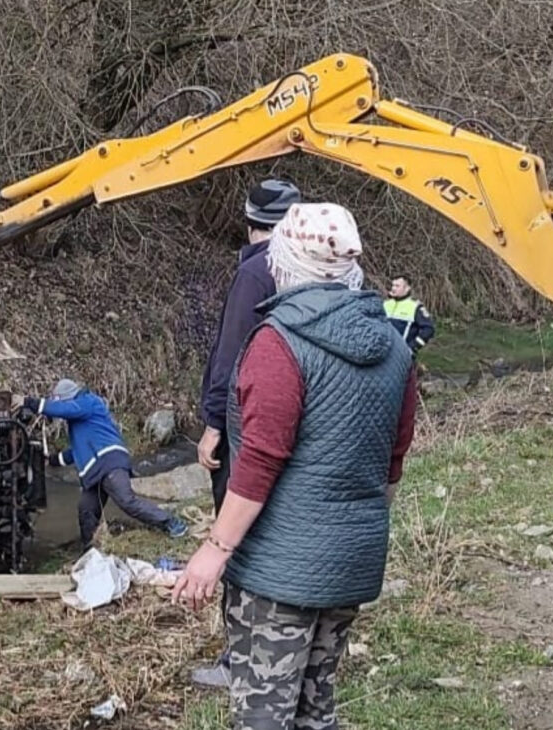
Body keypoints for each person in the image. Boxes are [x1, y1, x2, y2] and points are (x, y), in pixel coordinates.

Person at [171, 202, 418, 730]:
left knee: (264, 716)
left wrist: (214, 551)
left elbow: (260, 459)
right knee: (315, 708)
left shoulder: (278, 344)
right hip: (352, 561)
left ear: (282, 261)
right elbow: (393, 460)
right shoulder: (394, 347)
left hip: (278, 571)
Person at [193, 178, 300, 688]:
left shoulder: (256, 273)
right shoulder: (327, 272)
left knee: (234, 537)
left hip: (247, 424)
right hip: (299, 427)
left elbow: (231, 352)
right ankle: (283, 653)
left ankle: (238, 660)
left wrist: (214, 422)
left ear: (249, 218)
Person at [22, 380, 188, 548]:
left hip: (109, 462)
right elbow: (77, 451)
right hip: (96, 470)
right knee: (87, 509)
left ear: (66, 398)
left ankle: (172, 523)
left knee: (126, 501)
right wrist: (51, 460)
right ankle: (91, 549)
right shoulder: (81, 420)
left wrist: (29, 403)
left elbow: (65, 410)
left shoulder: (88, 402)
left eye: (59, 402)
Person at [383, 275, 436, 355]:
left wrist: (413, 347)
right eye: (393, 285)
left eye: (397, 286)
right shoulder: (385, 304)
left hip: (402, 354)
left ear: (407, 288)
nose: (393, 288)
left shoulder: (415, 307)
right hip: (382, 352)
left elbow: (428, 329)